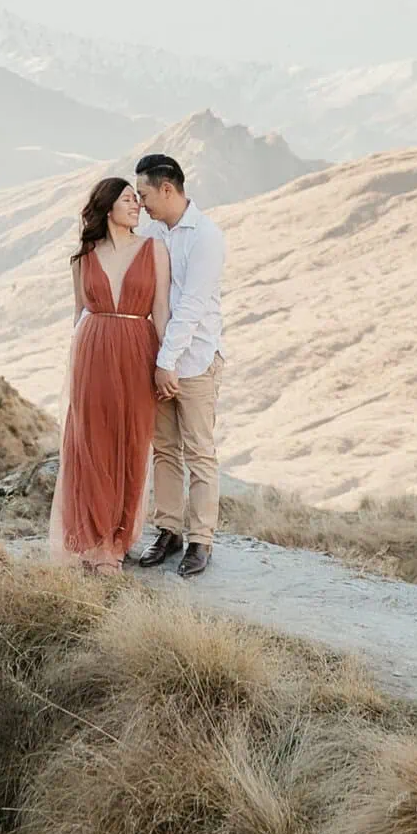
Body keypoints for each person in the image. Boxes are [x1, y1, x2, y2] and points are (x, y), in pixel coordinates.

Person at [49, 176, 171, 573]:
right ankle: (95, 542)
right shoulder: (84, 256)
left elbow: (162, 312)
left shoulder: (155, 250)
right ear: (107, 207)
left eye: (138, 199)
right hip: (93, 353)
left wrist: (166, 364)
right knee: (92, 443)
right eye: (127, 199)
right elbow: (78, 314)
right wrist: (73, 367)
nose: (137, 205)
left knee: (132, 442)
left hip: (138, 349)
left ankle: (118, 539)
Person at [131, 153, 227, 578]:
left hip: (194, 361)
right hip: (159, 361)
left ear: (167, 188)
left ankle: (201, 540)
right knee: (164, 448)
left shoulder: (206, 237)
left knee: (200, 452)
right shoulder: (153, 234)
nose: (141, 202)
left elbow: (191, 306)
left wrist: (167, 362)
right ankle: (168, 531)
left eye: (145, 194)